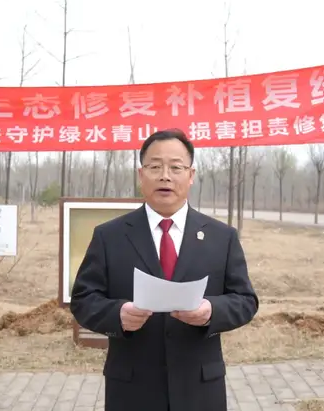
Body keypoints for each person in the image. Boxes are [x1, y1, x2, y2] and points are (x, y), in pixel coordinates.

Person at [69, 128, 259, 411]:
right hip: (132, 390)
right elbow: (83, 300)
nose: (165, 176)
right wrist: (117, 314)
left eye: (176, 167)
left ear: (191, 175)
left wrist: (212, 311)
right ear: (141, 174)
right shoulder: (109, 236)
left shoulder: (222, 237)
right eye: (155, 167)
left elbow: (245, 300)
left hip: (199, 389)